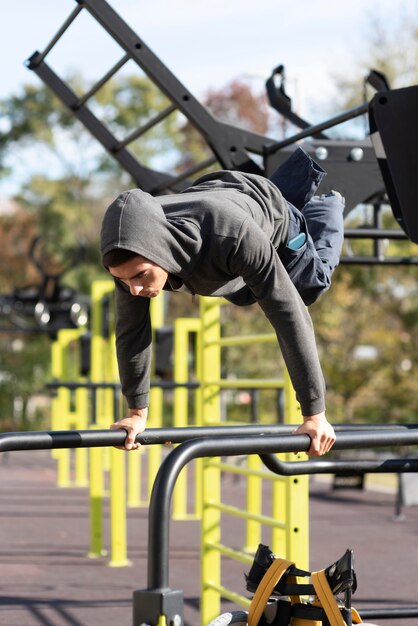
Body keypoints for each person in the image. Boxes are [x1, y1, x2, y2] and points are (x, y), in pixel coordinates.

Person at [100, 147, 344, 456]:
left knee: (309, 286)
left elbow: (289, 314)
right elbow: (131, 333)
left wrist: (315, 415)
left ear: (159, 249)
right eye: (123, 280)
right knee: (243, 296)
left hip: (273, 221)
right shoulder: (129, 256)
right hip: (221, 220)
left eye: (140, 276)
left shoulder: (233, 235)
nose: (133, 289)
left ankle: (325, 204)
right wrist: (136, 413)